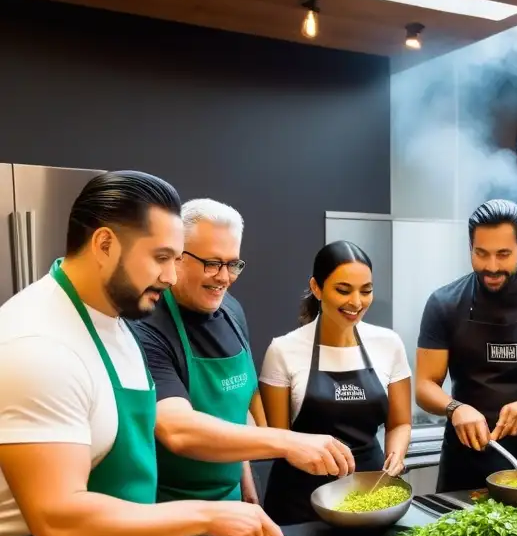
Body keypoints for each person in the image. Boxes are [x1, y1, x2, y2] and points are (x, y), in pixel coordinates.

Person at [0, 171, 284, 536]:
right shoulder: (36, 345)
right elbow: (56, 519)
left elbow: (111, 461)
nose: (171, 273)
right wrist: (200, 514)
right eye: (161, 256)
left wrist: (153, 530)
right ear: (104, 243)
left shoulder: (117, 325)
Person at [135, 199, 354, 515]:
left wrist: (246, 478)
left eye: (233, 264)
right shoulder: (146, 325)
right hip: (169, 514)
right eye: (212, 263)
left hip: (231, 502)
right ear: (177, 256)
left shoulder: (231, 311)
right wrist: (288, 442)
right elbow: (177, 430)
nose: (223, 277)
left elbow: (236, 408)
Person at [416, 199, 517, 493]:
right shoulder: (443, 303)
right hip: (466, 454)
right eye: (481, 254)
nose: (491, 266)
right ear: (470, 248)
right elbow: (425, 386)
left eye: (503, 254)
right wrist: (455, 408)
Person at [259, 241, 413, 523]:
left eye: (366, 291)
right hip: (299, 499)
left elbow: (400, 422)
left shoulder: (389, 344)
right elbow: (279, 440)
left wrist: (396, 455)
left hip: (371, 492)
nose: (356, 302)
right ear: (317, 288)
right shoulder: (283, 351)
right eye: (343, 290)